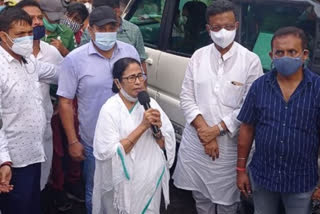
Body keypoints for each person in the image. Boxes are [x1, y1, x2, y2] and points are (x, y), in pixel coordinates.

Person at [172, 1, 263, 213]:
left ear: (237, 25)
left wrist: (215, 130)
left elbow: (248, 106)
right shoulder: (198, 56)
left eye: (229, 27)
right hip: (197, 143)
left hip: (229, 149)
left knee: (227, 203)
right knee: (200, 198)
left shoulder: (250, 61)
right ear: (208, 29)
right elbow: (186, 96)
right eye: (216, 28)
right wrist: (205, 132)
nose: (223, 32)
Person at [57, 6, 140, 214]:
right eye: (101, 29)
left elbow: (139, 85)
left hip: (130, 135)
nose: (106, 32)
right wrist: (73, 141)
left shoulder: (129, 52)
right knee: (96, 191)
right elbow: (65, 102)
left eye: (111, 27)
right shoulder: (74, 60)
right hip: (94, 140)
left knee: (129, 186)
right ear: (90, 30)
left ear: (118, 27)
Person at [237, 26, 320, 214]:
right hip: (263, 177)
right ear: (271, 55)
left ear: (304, 54)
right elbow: (247, 127)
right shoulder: (260, 86)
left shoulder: (317, 89)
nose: (285, 57)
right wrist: (241, 170)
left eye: (292, 52)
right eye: (280, 52)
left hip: (302, 180)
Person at [92, 57, 176, 214]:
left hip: (148, 181)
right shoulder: (109, 109)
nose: (138, 82)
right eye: (131, 78)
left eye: (140, 76)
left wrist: (158, 134)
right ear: (118, 83)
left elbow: (164, 145)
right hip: (121, 186)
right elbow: (108, 152)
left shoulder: (150, 103)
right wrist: (143, 126)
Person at [0, 7, 57, 214]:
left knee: (32, 207)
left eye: (28, 33)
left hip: (34, 154)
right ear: (3, 35)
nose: (26, 39)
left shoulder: (28, 61)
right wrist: (3, 160)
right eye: (19, 35)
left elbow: (55, 72)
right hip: (13, 161)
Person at [16, 0, 64, 191]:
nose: (37, 22)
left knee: (39, 182)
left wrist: (61, 103)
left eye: (39, 17)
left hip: (43, 130)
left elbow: (65, 81)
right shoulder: (6, 57)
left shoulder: (51, 52)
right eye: (31, 18)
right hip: (14, 135)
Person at [82, 0, 147, 73]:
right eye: (101, 29)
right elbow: (81, 60)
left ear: (117, 12)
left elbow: (141, 63)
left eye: (104, 14)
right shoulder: (90, 32)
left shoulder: (133, 31)